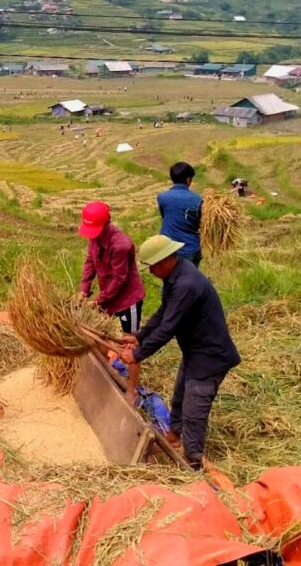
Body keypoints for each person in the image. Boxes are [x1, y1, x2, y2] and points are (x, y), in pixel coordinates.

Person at [119, 235, 240, 470]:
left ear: (165, 260)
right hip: (195, 351)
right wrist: (139, 336)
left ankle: (192, 459)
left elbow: (168, 328)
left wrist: (137, 355)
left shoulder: (186, 285)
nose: (151, 271)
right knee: (179, 397)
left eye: (152, 266)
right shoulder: (175, 277)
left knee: (194, 408)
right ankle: (173, 437)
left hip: (210, 356)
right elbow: (164, 312)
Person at [78, 201, 145, 334]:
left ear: (106, 224)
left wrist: (98, 301)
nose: (92, 235)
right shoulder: (95, 236)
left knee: (129, 341)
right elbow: (90, 261)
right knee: (104, 336)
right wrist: (84, 290)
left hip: (127, 299)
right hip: (108, 297)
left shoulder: (120, 245)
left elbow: (119, 279)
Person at [157, 161, 202, 267]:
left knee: (171, 280)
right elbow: (199, 223)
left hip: (168, 248)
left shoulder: (162, 197)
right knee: (190, 279)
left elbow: (164, 216)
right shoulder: (198, 199)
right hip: (190, 248)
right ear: (188, 180)